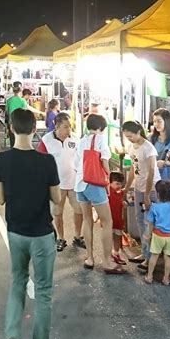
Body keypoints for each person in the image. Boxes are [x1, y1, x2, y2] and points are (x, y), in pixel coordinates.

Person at [0, 108, 61, 339]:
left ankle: (12, 335)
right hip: (42, 234)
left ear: (11, 128)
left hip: (16, 233)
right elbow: (57, 198)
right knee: (43, 292)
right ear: (34, 129)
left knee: (18, 282)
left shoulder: (0, 159)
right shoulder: (47, 161)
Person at [75, 114, 124, 273]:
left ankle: (90, 258)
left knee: (87, 220)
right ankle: (107, 262)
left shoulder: (81, 141)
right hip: (94, 184)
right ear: (101, 128)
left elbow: (76, 164)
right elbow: (104, 162)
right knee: (107, 221)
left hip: (80, 184)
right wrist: (109, 181)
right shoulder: (100, 139)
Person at [39, 113, 85, 251]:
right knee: (57, 212)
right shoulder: (46, 141)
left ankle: (78, 236)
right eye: (65, 127)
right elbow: (42, 163)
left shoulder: (75, 139)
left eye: (70, 126)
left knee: (79, 210)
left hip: (74, 182)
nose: (68, 130)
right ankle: (61, 237)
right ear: (57, 126)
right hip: (56, 184)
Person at [122, 120, 161, 272]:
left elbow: (151, 172)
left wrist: (146, 195)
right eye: (127, 137)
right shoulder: (132, 147)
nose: (129, 139)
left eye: (131, 136)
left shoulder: (148, 148)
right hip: (139, 188)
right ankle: (145, 253)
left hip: (151, 189)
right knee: (140, 219)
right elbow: (134, 168)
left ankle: (150, 258)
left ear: (139, 132)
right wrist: (127, 187)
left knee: (149, 222)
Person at [144, 180, 170, 285]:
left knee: (154, 256)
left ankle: (149, 276)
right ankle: (166, 279)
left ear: (158, 194)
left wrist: (148, 235)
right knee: (168, 257)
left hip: (158, 235)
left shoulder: (155, 207)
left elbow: (150, 223)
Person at [149, 108, 170, 181]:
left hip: (169, 181)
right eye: (154, 121)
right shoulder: (150, 138)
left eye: (159, 121)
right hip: (152, 178)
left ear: (166, 121)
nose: (156, 124)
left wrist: (165, 163)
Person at [108, 171, 128, 265]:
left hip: (119, 221)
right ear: (110, 183)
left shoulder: (120, 193)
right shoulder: (108, 193)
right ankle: (109, 254)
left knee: (118, 237)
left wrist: (124, 204)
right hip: (110, 220)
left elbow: (122, 202)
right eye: (117, 183)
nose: (119, 186)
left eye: (120, 184)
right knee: (109, 237)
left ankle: (116, 252)